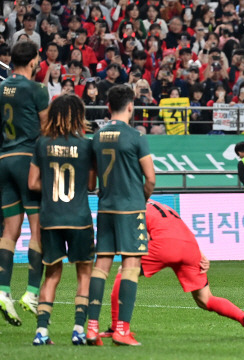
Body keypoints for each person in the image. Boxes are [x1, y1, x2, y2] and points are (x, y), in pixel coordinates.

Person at [98, 199, 244, 340]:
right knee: (205, 299)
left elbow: (143, 237)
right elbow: (181, 231)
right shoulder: (161, 205)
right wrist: (201, 255)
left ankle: (117, 328)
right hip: (190, 247)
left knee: (125, 272)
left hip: (164, 245)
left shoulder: (130, 206)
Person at [87, 85, 156, 346]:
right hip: (130, 208)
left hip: (105, 208)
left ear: (107, 107)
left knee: (101, 264)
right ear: (131, 106)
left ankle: (92, 328)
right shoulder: (136, 137)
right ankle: (122, 331)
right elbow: (150, 179)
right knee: (130, 266)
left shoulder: (96, 137)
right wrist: (142, 198)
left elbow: (91, 184)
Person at [28, 95, 96, 346]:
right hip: (79, 218)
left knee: (52, 276)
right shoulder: (87, 146)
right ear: (78, 115)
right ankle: (79, 330)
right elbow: (91, 184)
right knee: (84, 276)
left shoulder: (42, 143)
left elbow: (32, 183)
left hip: (50, 218)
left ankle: (42, 332)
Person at [0, 41, 49, 326]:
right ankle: (31, 293)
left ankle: (3, 291)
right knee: (37, 230)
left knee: (9, 229)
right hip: (27, 161)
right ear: (32, 62)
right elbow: (46, 128)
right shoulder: (37, 89)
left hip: (4, 160)